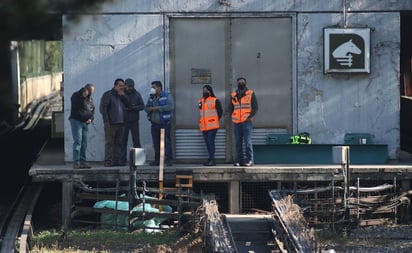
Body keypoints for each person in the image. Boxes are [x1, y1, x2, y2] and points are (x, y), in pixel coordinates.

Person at [229, 77, 258, 166]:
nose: (241, 83)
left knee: (248, 142)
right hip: (237, 122)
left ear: (245, 83)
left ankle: (250, 160)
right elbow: (230, 108)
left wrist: (249, 117)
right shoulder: (233, 95)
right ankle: (239, 160)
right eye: (239, 82)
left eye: (242, 82)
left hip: (246, 122)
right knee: (238, 143)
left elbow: (255, 107)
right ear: (237, 84)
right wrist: (232, 116)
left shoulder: (250, 93)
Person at [100, 78, 128, 167]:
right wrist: (106, 121)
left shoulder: (123, 95)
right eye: (120, 86)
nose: (121, 87)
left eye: (123, 86)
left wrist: (123, 96)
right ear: (115, 86)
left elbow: (129, 105)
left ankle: (117, 161)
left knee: (119, 143)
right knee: (109, 143)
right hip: (111, 123)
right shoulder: (108, 94)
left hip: (121, 123)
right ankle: (108, 161)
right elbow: (103, 108)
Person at [145, 81, 174, 166]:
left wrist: (157, 108)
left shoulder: (167, 96)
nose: (152, 89)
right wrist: (149, 109)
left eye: (153, 87)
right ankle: (157, 160)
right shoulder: (151, 97)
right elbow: (146, 108)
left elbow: (170, 106)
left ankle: (168, 160)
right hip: (154, 124)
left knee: (166, 142)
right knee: (156, 143)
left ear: (159, 87)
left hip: (164, 123)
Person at [69, 83, 95, 169]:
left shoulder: (90, 98)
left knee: (84, 143)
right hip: (76, 121)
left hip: (85, 122)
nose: (91, 93)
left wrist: (91, 118)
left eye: (92, 92)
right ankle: (76, 162)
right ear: (86, 89)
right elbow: (76, 104)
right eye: (90, 91)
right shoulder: (76, 95)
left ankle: (83, 161)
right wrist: (83, 96)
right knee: (78, 142)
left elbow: (92, 109)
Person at [120, 78, 145, 164]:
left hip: (134, 121)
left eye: (131, 86)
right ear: (125, 86)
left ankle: (139, 161)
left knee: (136, 141)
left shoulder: (137, 94)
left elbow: (142, 106)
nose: (129, 88)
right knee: (123, 141)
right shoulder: (121, 94)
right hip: (124, 121)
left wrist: (134, 108)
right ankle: (122, 160)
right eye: (128, 86)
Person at [198, 85, 223, 166]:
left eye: (206, 90)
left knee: (210, 142)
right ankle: (210, 158)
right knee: (207, 143)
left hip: (212, 126)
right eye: (203, 90)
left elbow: (220, 112)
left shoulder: (215, 100)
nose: (204, 92)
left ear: (210, 91)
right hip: (204, 126)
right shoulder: (201, 101)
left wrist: (215, 120)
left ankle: (212, 159)